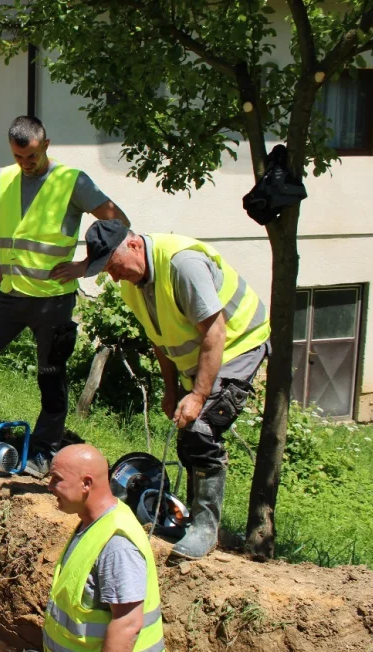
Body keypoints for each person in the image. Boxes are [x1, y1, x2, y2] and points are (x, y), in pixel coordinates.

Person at [74, 221, 269, 560]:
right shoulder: (132, 284)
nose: (116, 278)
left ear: (134, 246)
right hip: (200, 354)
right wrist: (172, 391)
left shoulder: (182, 264)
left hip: (238, 343)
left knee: (203, 429)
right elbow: (160, 338)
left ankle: (206, 530)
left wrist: (198, 396)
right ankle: (197, 521)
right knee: (187, 431)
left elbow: (215, 332)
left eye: (115, 267)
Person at [0, 116, 130, 478]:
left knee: (50, 376)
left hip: (53, 301)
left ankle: (44, 449)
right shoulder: (3, 178)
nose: (25, 163)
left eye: (31, 156)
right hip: (10, 295)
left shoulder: (72, 181)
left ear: (46, 144)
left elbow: (118, 221)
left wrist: (85, 267)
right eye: (19, 157)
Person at [45, 444, 164, 652]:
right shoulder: (91, 524)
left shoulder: (117, 544)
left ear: (86, 484)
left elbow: (127, 625)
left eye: (57, 479)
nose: (49, 486)